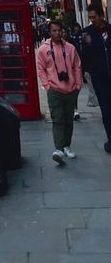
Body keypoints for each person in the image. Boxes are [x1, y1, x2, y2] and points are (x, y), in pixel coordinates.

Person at [36, 19, 83, 165]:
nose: (57, 33)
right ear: (49, 32)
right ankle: (58, 149)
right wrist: (47, 86)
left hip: (71, 89)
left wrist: (78, 84)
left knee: (68, 120)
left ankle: (67, 146)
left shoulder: (70, 48)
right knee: (57, 119)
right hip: (55, 90)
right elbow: (41, 69)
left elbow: (77, 66)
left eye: (59, 30)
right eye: (54, 31)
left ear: (63, 31)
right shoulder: (44, 49)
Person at [82, 4, 111, 153]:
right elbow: (84, 58)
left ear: (101, 16)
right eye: (90, 17)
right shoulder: (87, 33)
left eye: (94, 17)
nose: (92, 20)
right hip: (100, 78)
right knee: (106, 111)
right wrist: (87, 45)